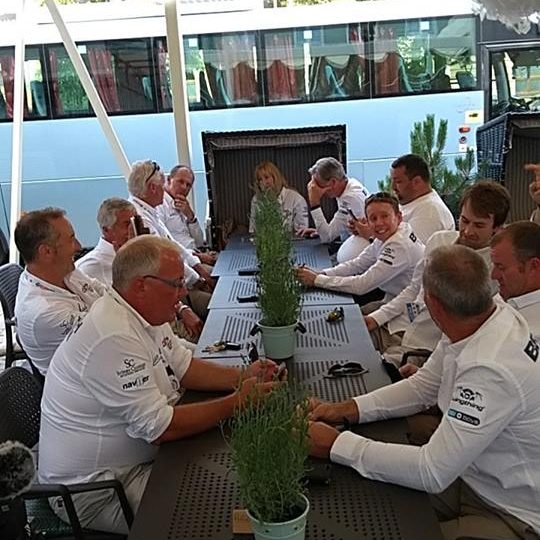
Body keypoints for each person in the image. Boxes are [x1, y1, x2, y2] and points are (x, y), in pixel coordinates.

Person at [38, 236, 277, 534]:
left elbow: (184, 367)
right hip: (97, 492)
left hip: (137, 464)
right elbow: (160, 428)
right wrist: (238, 401)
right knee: (219, 512)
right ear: (141, 285)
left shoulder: (143, 312)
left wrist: (243, 377)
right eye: (175, 283)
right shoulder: (112, 335)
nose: (183, 291)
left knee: (236, 482)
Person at [309, 244, 540, 540]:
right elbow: (422, 387)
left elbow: (431, 471)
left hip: (511, 511)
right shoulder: (482, 315)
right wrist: (343, 409)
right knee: (366, 491)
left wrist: (336, 444)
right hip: (472, 476)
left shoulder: (490, 368)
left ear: (433, 304)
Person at [364, 181, 510, 368]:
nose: (468, 231)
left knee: (373, 370)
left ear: (497, 228)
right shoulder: (439, 240)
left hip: (425, 349)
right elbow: (414, 289)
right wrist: (377, 318)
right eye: (465, 221)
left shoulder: (496, 269)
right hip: (398, 325)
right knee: (348, 335)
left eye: (479, 225)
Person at [76, 198, 202, 340]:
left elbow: (165, 286)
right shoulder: (90, 267)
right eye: (127, 225)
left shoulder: (139, 252)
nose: (133, 230)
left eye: (135, 223)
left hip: (163, 320)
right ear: (106, 230)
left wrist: (182, 308)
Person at [14, 208, 106, 376]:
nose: (78, 246)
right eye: (71, 239)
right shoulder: (44, 312)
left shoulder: (63, 271)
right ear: (46, 252)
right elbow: (107, 332)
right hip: (85, 383)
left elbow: (100, 289)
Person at [296, 192, 424, 301]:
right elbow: (358, 264)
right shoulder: (392, 232)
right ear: (367, 222)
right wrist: (321, 273)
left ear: (398, 217)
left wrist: (317, 280)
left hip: (410, 307)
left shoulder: (398, 244)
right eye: (373, 218)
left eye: (385, 216)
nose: (379, 223)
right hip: (392, 299)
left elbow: (362, 285)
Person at [127, 159, 212, 319]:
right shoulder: (141, 218)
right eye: (162, 185)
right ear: (153, 188)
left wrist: (197, 267)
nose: (164, 189)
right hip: (172, 287)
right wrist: (197, 280)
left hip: (183, 275)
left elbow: (172, 244)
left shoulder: (150, 210)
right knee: (214, 305)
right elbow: (166, 256)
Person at [298, 157, 370, 249]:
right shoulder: (351, 184)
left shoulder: (350, 198)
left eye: (319, 185)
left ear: (333, 182)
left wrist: (314, 203)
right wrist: (320, 230)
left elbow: (327, 237)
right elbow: (334, 231)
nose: (314, 189)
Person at [385, 153, 455, 243]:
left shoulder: (429, 212)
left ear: (417, 182)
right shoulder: (414, 203)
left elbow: (406, 248)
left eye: (398, 182)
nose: (393, 187)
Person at [491, 221, 540, 340]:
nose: (493, 275)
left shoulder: (533, 333)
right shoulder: (502, 298)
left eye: (501, 267)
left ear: (533, 266)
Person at [158, 165, 216, 265]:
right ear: (169, 180)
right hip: (185, 262)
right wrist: (199, 257)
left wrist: (190, 216)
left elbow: (199, 241)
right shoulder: (160, 205)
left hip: (197, 253)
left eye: (188, 185)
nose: (184, 187)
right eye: (180, 182)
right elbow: (165, 245)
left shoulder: (183, 205)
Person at [248, 161, 309, 235]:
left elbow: (302, 233)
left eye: (267, 177)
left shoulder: (296, 199)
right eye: (260, 180)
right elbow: (253, 231)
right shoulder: (256, 200)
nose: (264, 182)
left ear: (275, 177)